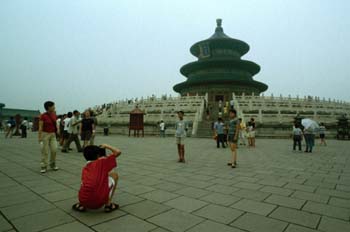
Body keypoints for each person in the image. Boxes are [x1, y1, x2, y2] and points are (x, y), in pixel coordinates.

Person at [72, 144, 121, 212]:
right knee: (114, 175)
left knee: (86, 182)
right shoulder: (103, 162)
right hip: (98, 202)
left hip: (83, 200)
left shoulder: (85, 168)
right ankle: (108, 205)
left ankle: (81, 205)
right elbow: (118, 152)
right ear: (98, 155)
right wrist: (106, 146)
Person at [38, 101, 59, 173]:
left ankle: (52, 164)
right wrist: (39, 137)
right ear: (49, 107)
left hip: (53, 134)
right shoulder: (43, 116)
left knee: (54, 149)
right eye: (53, 106)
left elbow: (55, 124)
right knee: (45, 151)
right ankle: (44, 166)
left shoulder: (54, 115)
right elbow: (40, 127)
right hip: (45, 134)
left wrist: (57, 130)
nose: (54, 107)